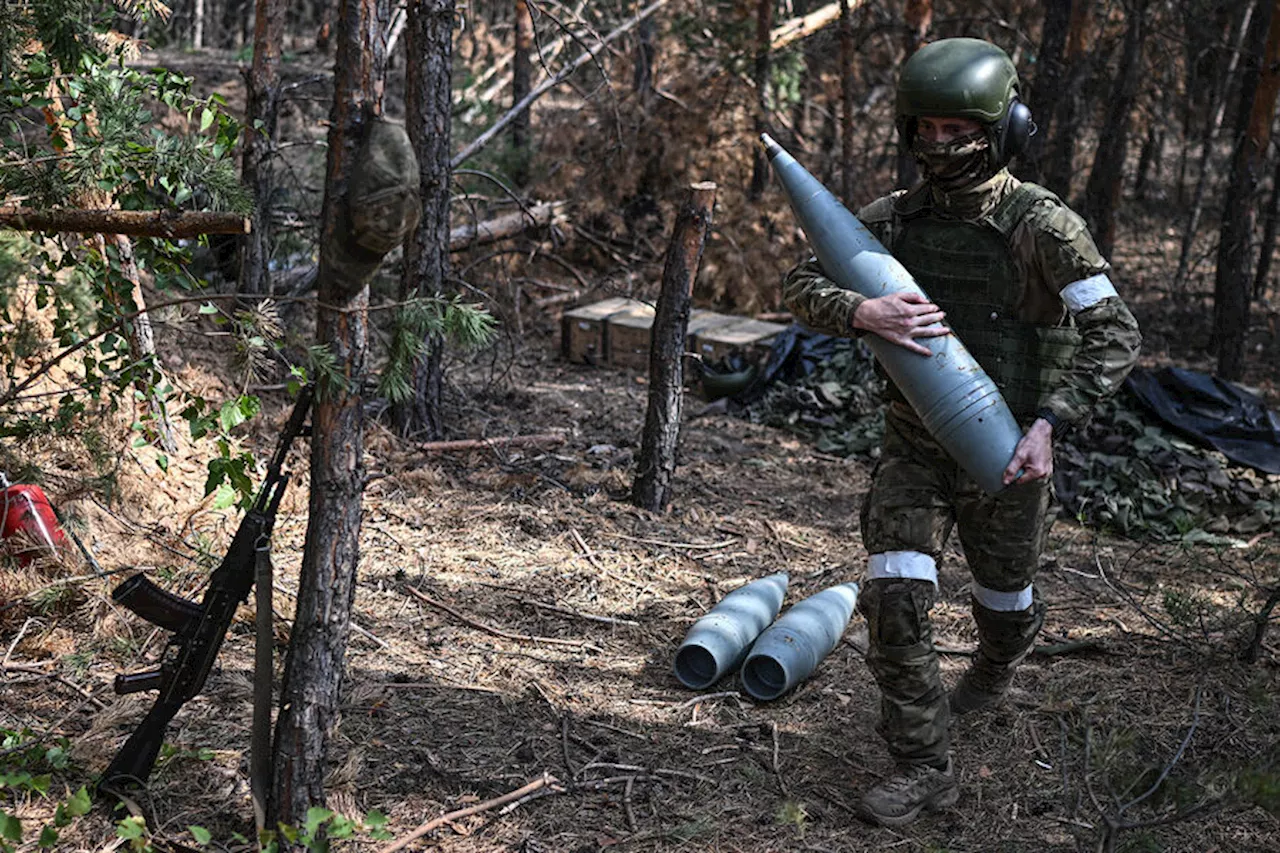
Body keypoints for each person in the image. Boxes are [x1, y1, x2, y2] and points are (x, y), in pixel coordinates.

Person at [780, 38, 1142, 827]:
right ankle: (924, 766)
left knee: (1004, 601)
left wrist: (1052, 422)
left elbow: (1114, 334)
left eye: (959, 130)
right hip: (914, 447)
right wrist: (859, 309)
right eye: (927, 130)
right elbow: (800, 282)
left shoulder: (1042, 228)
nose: (940, 147)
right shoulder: (893, 223)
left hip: (1010, 455)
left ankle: (1000, 659)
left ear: (1004, 127)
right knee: (895, 598)